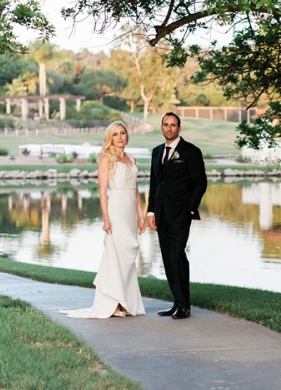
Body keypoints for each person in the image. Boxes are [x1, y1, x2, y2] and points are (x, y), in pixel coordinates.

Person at [60, 121, 147, 318]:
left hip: (130, 210)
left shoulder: (131, 159)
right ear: (110, 137)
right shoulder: (106, 158)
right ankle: (113, 303)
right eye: (115, 134)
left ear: (127, 136)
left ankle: (125, 300)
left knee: (128, 254)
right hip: (116, 209)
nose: (120, 137)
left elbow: (135, 190)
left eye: (122, 133)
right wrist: (106, 219)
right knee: (115, 255)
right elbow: (101, 192)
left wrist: (141, 215)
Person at [147, 112, 208, 320]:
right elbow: (154, 184)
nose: (170, 128)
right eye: (166, 124)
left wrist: (190, 208)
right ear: (161, 127)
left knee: (177, 255)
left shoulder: (191, 151)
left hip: (181, 214)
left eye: (173, 125)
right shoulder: (156, 152)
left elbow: (200, 182)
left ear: (179, 129)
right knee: (167, 258)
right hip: (161, 215)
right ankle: (177, 302)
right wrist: (151, 211)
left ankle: (184, 305)